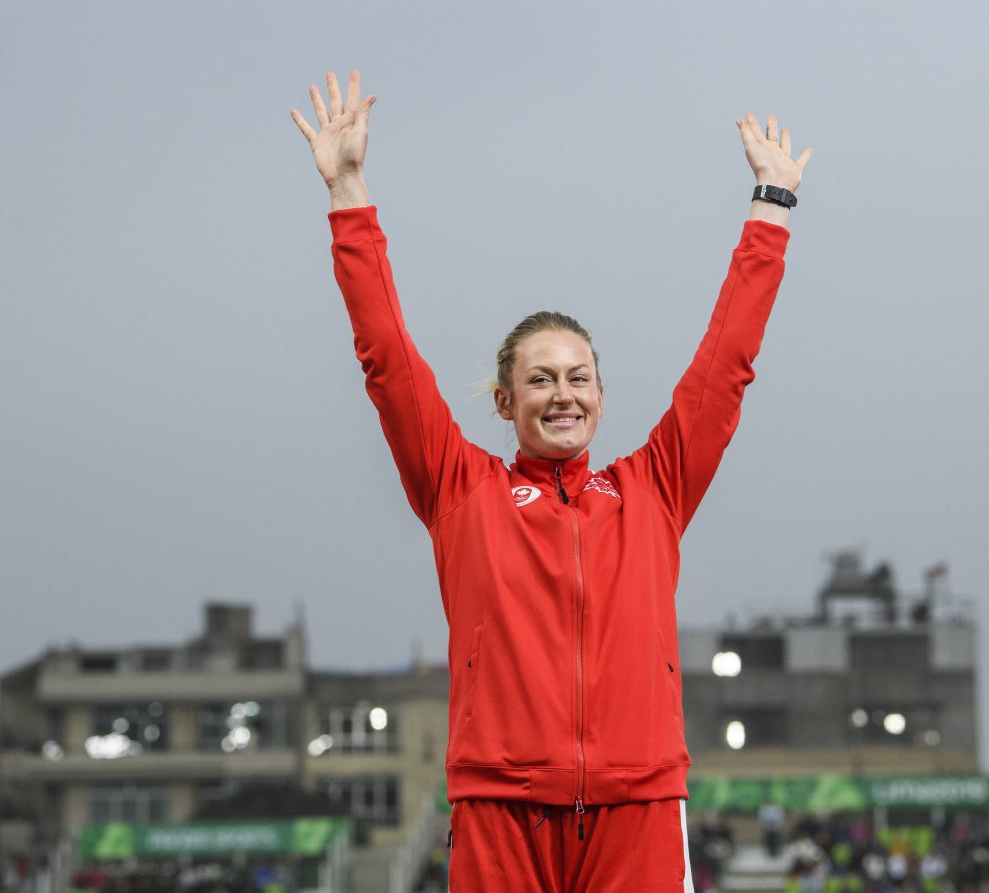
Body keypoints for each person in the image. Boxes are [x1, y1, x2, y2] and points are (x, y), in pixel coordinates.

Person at [291, 68, 812, 893]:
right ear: (506, 399)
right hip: (502, 809)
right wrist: (349, 192)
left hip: (637, 804)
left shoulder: (654, 489)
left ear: (601, 396)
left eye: (577, 377)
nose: (562, 394)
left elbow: (726, 367)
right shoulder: (460, 488)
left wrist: (770, 209)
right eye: (540, 380)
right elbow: (386, 362)